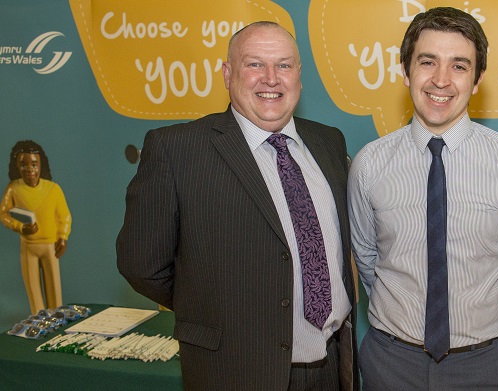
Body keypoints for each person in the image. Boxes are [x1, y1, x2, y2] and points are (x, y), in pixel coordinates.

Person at [117, 21, 359, 391]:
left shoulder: (328, 142)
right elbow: (141, 264)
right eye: (254, 64)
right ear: (228, 74)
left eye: (283, 65)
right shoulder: (177, 150)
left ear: (298, 75)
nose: (271, 78)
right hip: (236, 369)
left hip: (333, 366)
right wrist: (216, 308)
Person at [348, 7, 498, 390]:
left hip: (484, 366)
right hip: (391, 364)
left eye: (458, 65)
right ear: (405, 70)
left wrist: (478, 323)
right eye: (427, 62)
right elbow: (367, 259)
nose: (441, 80)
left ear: (477, 80)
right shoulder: (369, 164)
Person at [1, 140, 71, 314]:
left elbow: (64, 216)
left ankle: (57, 324)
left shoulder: (53, 189)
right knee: (34, 295)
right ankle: (37, 325)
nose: (29, 169)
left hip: (50, 246)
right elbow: (3, 214)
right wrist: (20, 227)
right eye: (23, 165)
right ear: (17, 166)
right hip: (28, 247)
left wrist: (62, 237)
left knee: (55, 293)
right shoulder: (13, 188)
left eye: (34, 164)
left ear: (41, 165)